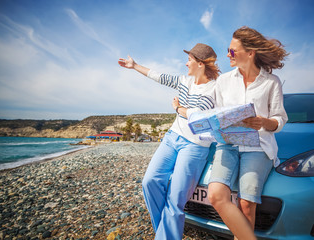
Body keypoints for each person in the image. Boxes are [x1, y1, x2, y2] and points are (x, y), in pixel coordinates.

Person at [118, 43, 220, 240]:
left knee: (175, 200)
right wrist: (135, 65)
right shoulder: (184, 81)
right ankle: (165, 234)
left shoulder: (214, 88)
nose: (186, 63)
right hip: (172, 138)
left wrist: (178, 108)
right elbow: (159, 77)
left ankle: (165, 236)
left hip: (194, 146)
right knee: (150, 182)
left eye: (189, 59)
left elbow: (197, 115)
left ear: (200, 63)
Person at [206, 26, 289, 240]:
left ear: (250, 53)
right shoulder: (223, 81)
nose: (227, 55)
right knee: (215, 195)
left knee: (246, 204)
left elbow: (280, 119)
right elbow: (217, 114)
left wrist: (263, 121)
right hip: (228, 144)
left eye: (232, 50)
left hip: (258, 146)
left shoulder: (271, 82)